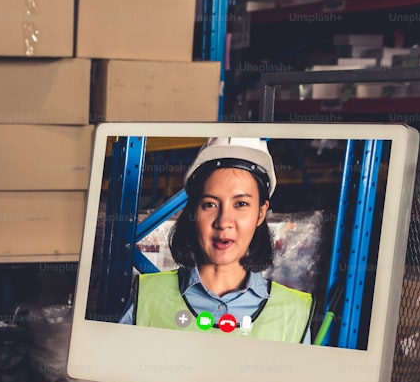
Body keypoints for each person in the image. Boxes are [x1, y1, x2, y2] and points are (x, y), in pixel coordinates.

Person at [119, 137, 314, 343]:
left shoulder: (293, 312)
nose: (223, 222)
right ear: (194, 212)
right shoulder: (148, 296)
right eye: (210, 205)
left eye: (240, 204)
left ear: (260, 213)